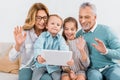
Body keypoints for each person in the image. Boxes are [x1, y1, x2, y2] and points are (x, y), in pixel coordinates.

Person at [76, 2, 120, 80]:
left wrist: (106, 51)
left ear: (95, 17)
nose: (82, 21)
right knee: (94, 77)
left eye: (87, 17)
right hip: (92, 70)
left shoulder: (107, 31)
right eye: (80, 17)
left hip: (110, 67)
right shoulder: (78, 35)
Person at [9, 2, 52, 80]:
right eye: (38, 18)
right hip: (27, 67)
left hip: (43, 68)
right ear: (32, 17)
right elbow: (11, 58)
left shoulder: (50, 34)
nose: (42, 21)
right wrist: (18, 45)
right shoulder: (24, 34)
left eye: (44, 18)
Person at [32, 14, 71, 80]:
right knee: (35, 77)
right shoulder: (43, 36)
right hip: (41, 64)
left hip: (54, 67)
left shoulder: (60, 39)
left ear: (60, 29)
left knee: (57, 78)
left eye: (58, 25)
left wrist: (67, 58)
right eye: (52, 23)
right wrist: (38, 56)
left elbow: (64, 49)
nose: (55, 26)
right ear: (47, 26)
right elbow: (37, 47)